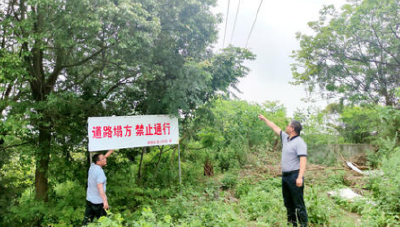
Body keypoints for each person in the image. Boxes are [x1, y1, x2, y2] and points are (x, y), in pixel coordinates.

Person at [258, 114, 308, 227]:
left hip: (295, 176)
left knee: (298, 204)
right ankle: (292, 224)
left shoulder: (300, 142)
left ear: (292, 128)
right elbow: (274, 127)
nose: (286, 126)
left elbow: (303, 161)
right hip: (285, 177)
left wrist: (300, 177)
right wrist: (265, 119)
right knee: (288, 203)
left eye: (288, 125)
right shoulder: (286, 138)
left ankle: (304, 225)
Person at [82, 149, 114, 225]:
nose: (105, 159)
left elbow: (101, 158)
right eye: (103, 159)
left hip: (90, 200)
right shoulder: (99, 172)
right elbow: (100, 187)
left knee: (87, 221)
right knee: (104, 222)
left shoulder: (92, 166)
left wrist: (109, 152)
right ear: (98, 162)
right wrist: (105, 201)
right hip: (98, 203)